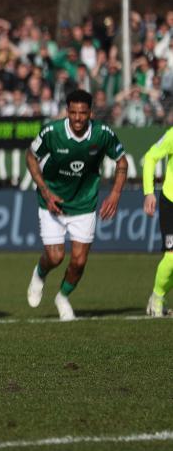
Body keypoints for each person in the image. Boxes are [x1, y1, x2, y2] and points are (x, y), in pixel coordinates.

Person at [25, 89, 128, 321]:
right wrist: (45, 191)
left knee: (79, 261)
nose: (78, 118)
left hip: (84, 202)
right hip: (52, 202)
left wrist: (115, 194)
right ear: (67, 111)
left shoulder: (102, 134)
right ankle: (39, 274)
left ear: (90, 113)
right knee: (55, 257)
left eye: (82, 113)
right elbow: (30, 157)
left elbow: (122, 162)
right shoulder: (52, 132)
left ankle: (62, 297)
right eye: (73, 113)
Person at [142, 127, 173, 317]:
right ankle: (157, 298)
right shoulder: (172, 135)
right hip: (171, 202)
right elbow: (150, 157)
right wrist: (149, 192)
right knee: (171, 257)